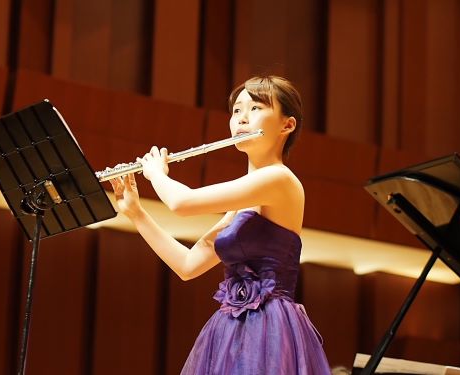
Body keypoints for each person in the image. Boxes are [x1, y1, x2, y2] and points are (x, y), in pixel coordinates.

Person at [109, 76, 331, 374]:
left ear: (287, 125)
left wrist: (155, 173)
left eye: (255, 108)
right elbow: (188, 265)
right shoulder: (239, 206)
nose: (242, 118)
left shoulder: (281, 179)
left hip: (272, 329)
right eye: (237, 110)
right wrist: (136, 214)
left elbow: (182, 204)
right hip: (231, 328)